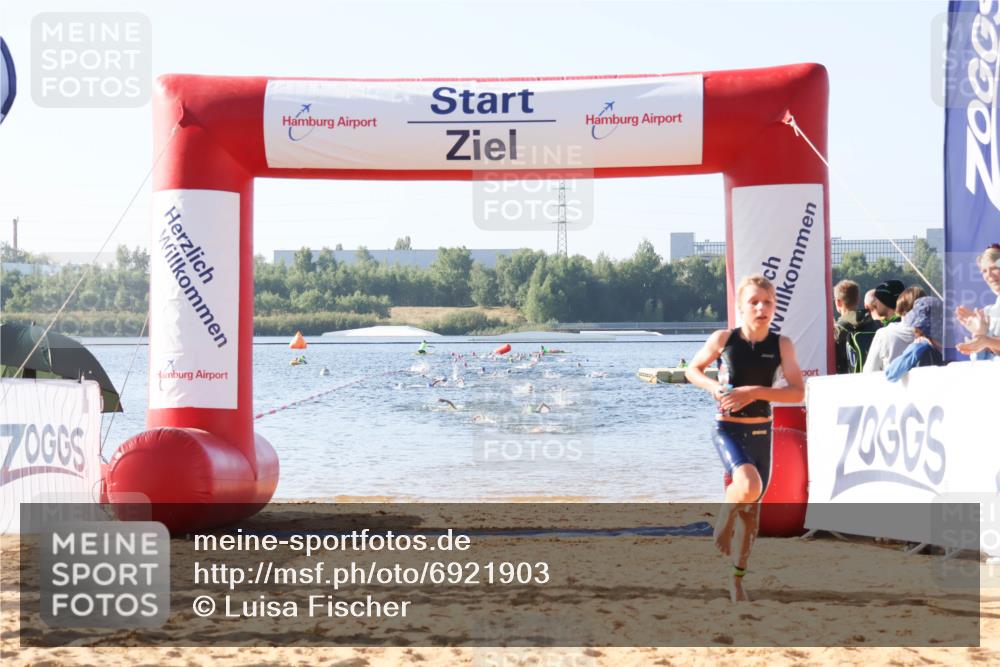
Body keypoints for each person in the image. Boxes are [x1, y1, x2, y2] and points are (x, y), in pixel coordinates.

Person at [686, 275, 806, 603]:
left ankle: (736, 580)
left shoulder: (782, 345)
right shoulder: (724, 339)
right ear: (741, 306)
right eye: (753, 302)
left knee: (752, 515)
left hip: (761, 432)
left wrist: (753, 391)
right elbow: (693, 370)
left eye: (768, 302)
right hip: (728, 429)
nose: (761, 308)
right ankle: (725, 515)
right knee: (749, 485)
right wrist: (713, 387)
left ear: (775, 307)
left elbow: (797, 392)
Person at [863, 285, 925, 373]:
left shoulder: (883, 334)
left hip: (891, 380)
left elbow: (869, 371)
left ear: (900, 306)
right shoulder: (933, 337)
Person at [885, 297, 945, 381]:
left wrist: (915, 347)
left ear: (918, 327)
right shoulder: (956, 346)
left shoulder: (919, 348)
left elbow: (890, 374)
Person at [956, 244, 1000, 359]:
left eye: (994, 268)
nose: (989, 275)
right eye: (984, 271)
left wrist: (986, 340)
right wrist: (980, 333)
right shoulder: (989, 312)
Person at [832, 279, 882, 373]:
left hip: (848, 379)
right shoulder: (876, 325)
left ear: (838, 302)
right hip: (874, 377)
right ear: (858, 300)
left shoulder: (837, 331)